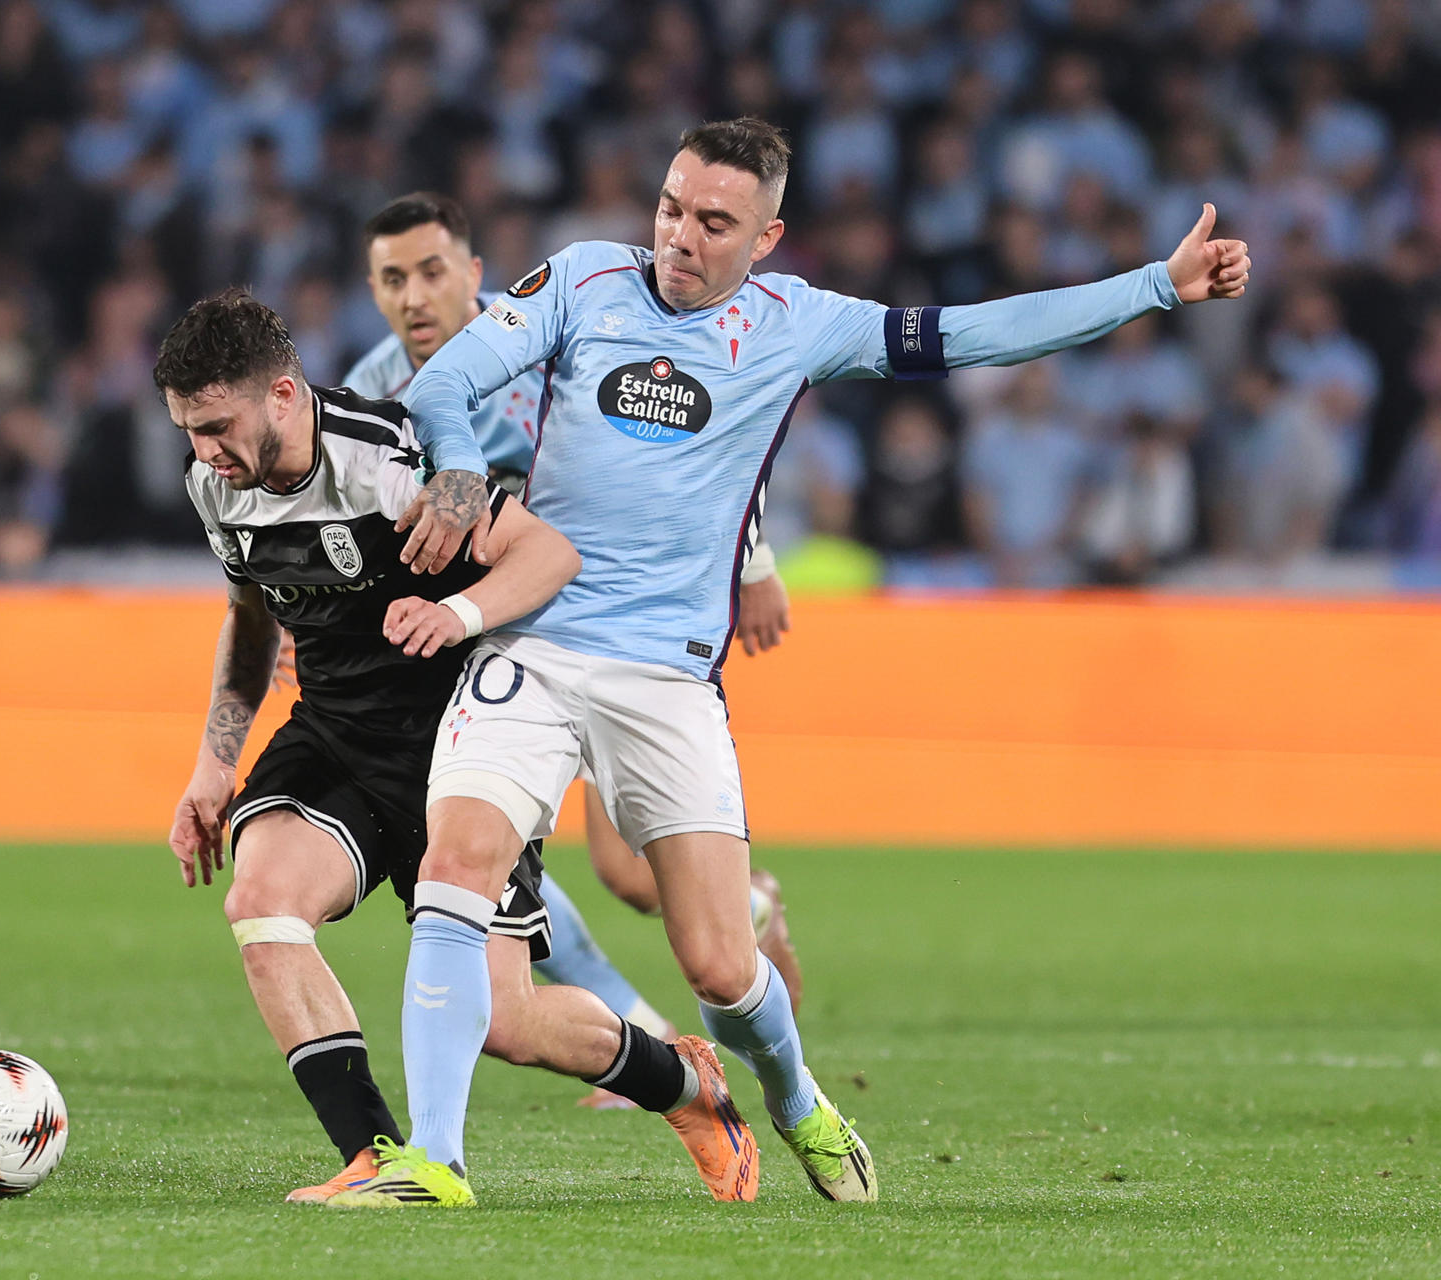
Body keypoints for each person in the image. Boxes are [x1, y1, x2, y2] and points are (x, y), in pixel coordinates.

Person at [341, 117, 1251, 1208]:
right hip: (530, 642)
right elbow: (449, 382)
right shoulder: (584, 279)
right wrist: (451, 471)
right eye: (673, 207)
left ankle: (794, 1096)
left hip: (667, 680)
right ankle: (434, 1164)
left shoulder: (801, 324)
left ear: (767, 236)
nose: (679, 235)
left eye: (714, 221)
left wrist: (1155, 284)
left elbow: (975, 332)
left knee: (721, 969)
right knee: (454, 866)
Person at [159, 290, 759, 1208]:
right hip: (333, 733)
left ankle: (686, 1086)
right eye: (189, 432)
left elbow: (548, 555)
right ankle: (379, 1157)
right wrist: (213, 763)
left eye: (216, 427)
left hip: (460, 750)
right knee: (263, 900)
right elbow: (249, 620)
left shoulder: (392, 461)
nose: (204, 453)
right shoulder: (218, 487)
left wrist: (455, 612)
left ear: (282, 394)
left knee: (507, 1023)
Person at [342, 192, 807, 1080]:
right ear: (372, 292)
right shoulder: (374, 395)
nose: (415, 297)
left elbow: (684, 455)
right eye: (393, 279)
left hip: (626, 632)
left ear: (474, 275)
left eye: (433, 272)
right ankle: (645, 1037)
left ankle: (749, 912)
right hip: (505, 651)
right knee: (489, 860)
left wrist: (752, 564)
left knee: (632, 880)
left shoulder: (538, 346)